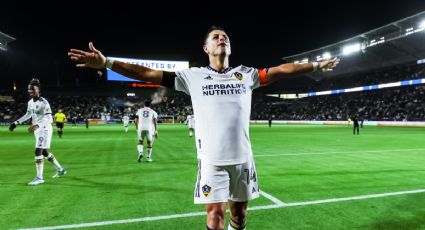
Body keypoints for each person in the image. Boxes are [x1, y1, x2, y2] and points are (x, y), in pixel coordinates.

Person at [68, 25, 339, 230]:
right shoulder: (192, 76)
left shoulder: (246, 74)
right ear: (206, 48)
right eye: (216, 37)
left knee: (240, 215)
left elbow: (282, 70)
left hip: (244, 159)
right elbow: (145, 73)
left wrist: (316, 64)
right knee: (214, 214)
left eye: (225, 37)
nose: (222, 39)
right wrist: (106, 62)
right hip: (212, 161)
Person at [9, 78, 67, 186]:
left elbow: (50, 119)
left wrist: (37, 125)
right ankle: (60, 169)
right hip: (37, 129)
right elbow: (28, 115)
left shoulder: (44, 103)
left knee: (38, 151)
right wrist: (16, 123)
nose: (31, 92)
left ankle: (40, 177)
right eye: (29, 90)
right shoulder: (30, 102)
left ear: (38, 90)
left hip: (44, 129)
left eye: (33, 90)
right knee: (44, 152)